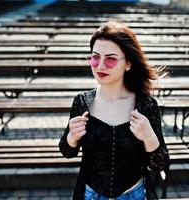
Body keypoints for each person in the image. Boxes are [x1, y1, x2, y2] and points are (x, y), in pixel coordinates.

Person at [59, 21, 169, 200]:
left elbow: (159, 164)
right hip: (90, 195)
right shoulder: (82, 102)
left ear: (128, 64)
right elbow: (67, 151)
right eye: (95, 57)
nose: (100, 66)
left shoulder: (145, 106)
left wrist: (149, 138)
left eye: (110, 59)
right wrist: (71, 137)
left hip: (134, 195)